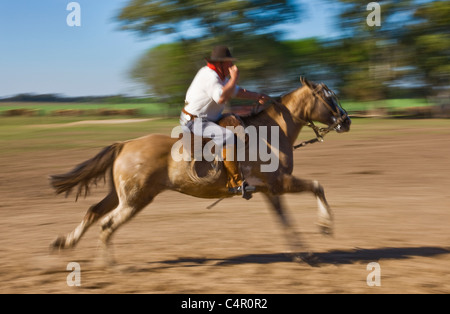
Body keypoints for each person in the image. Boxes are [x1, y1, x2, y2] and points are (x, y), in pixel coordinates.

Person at [180, 45, 269, 200]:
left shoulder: (221, 77)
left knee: (237, 123)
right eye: (228, 62)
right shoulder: (209, 76)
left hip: (209, 119)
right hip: (195, 121)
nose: (232, 66)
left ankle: (243, 166)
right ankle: (235, 183)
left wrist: (257, 96)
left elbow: (236, 91)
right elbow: (221, 97)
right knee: (227, 136)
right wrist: (234, 78)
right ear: (219, 63)